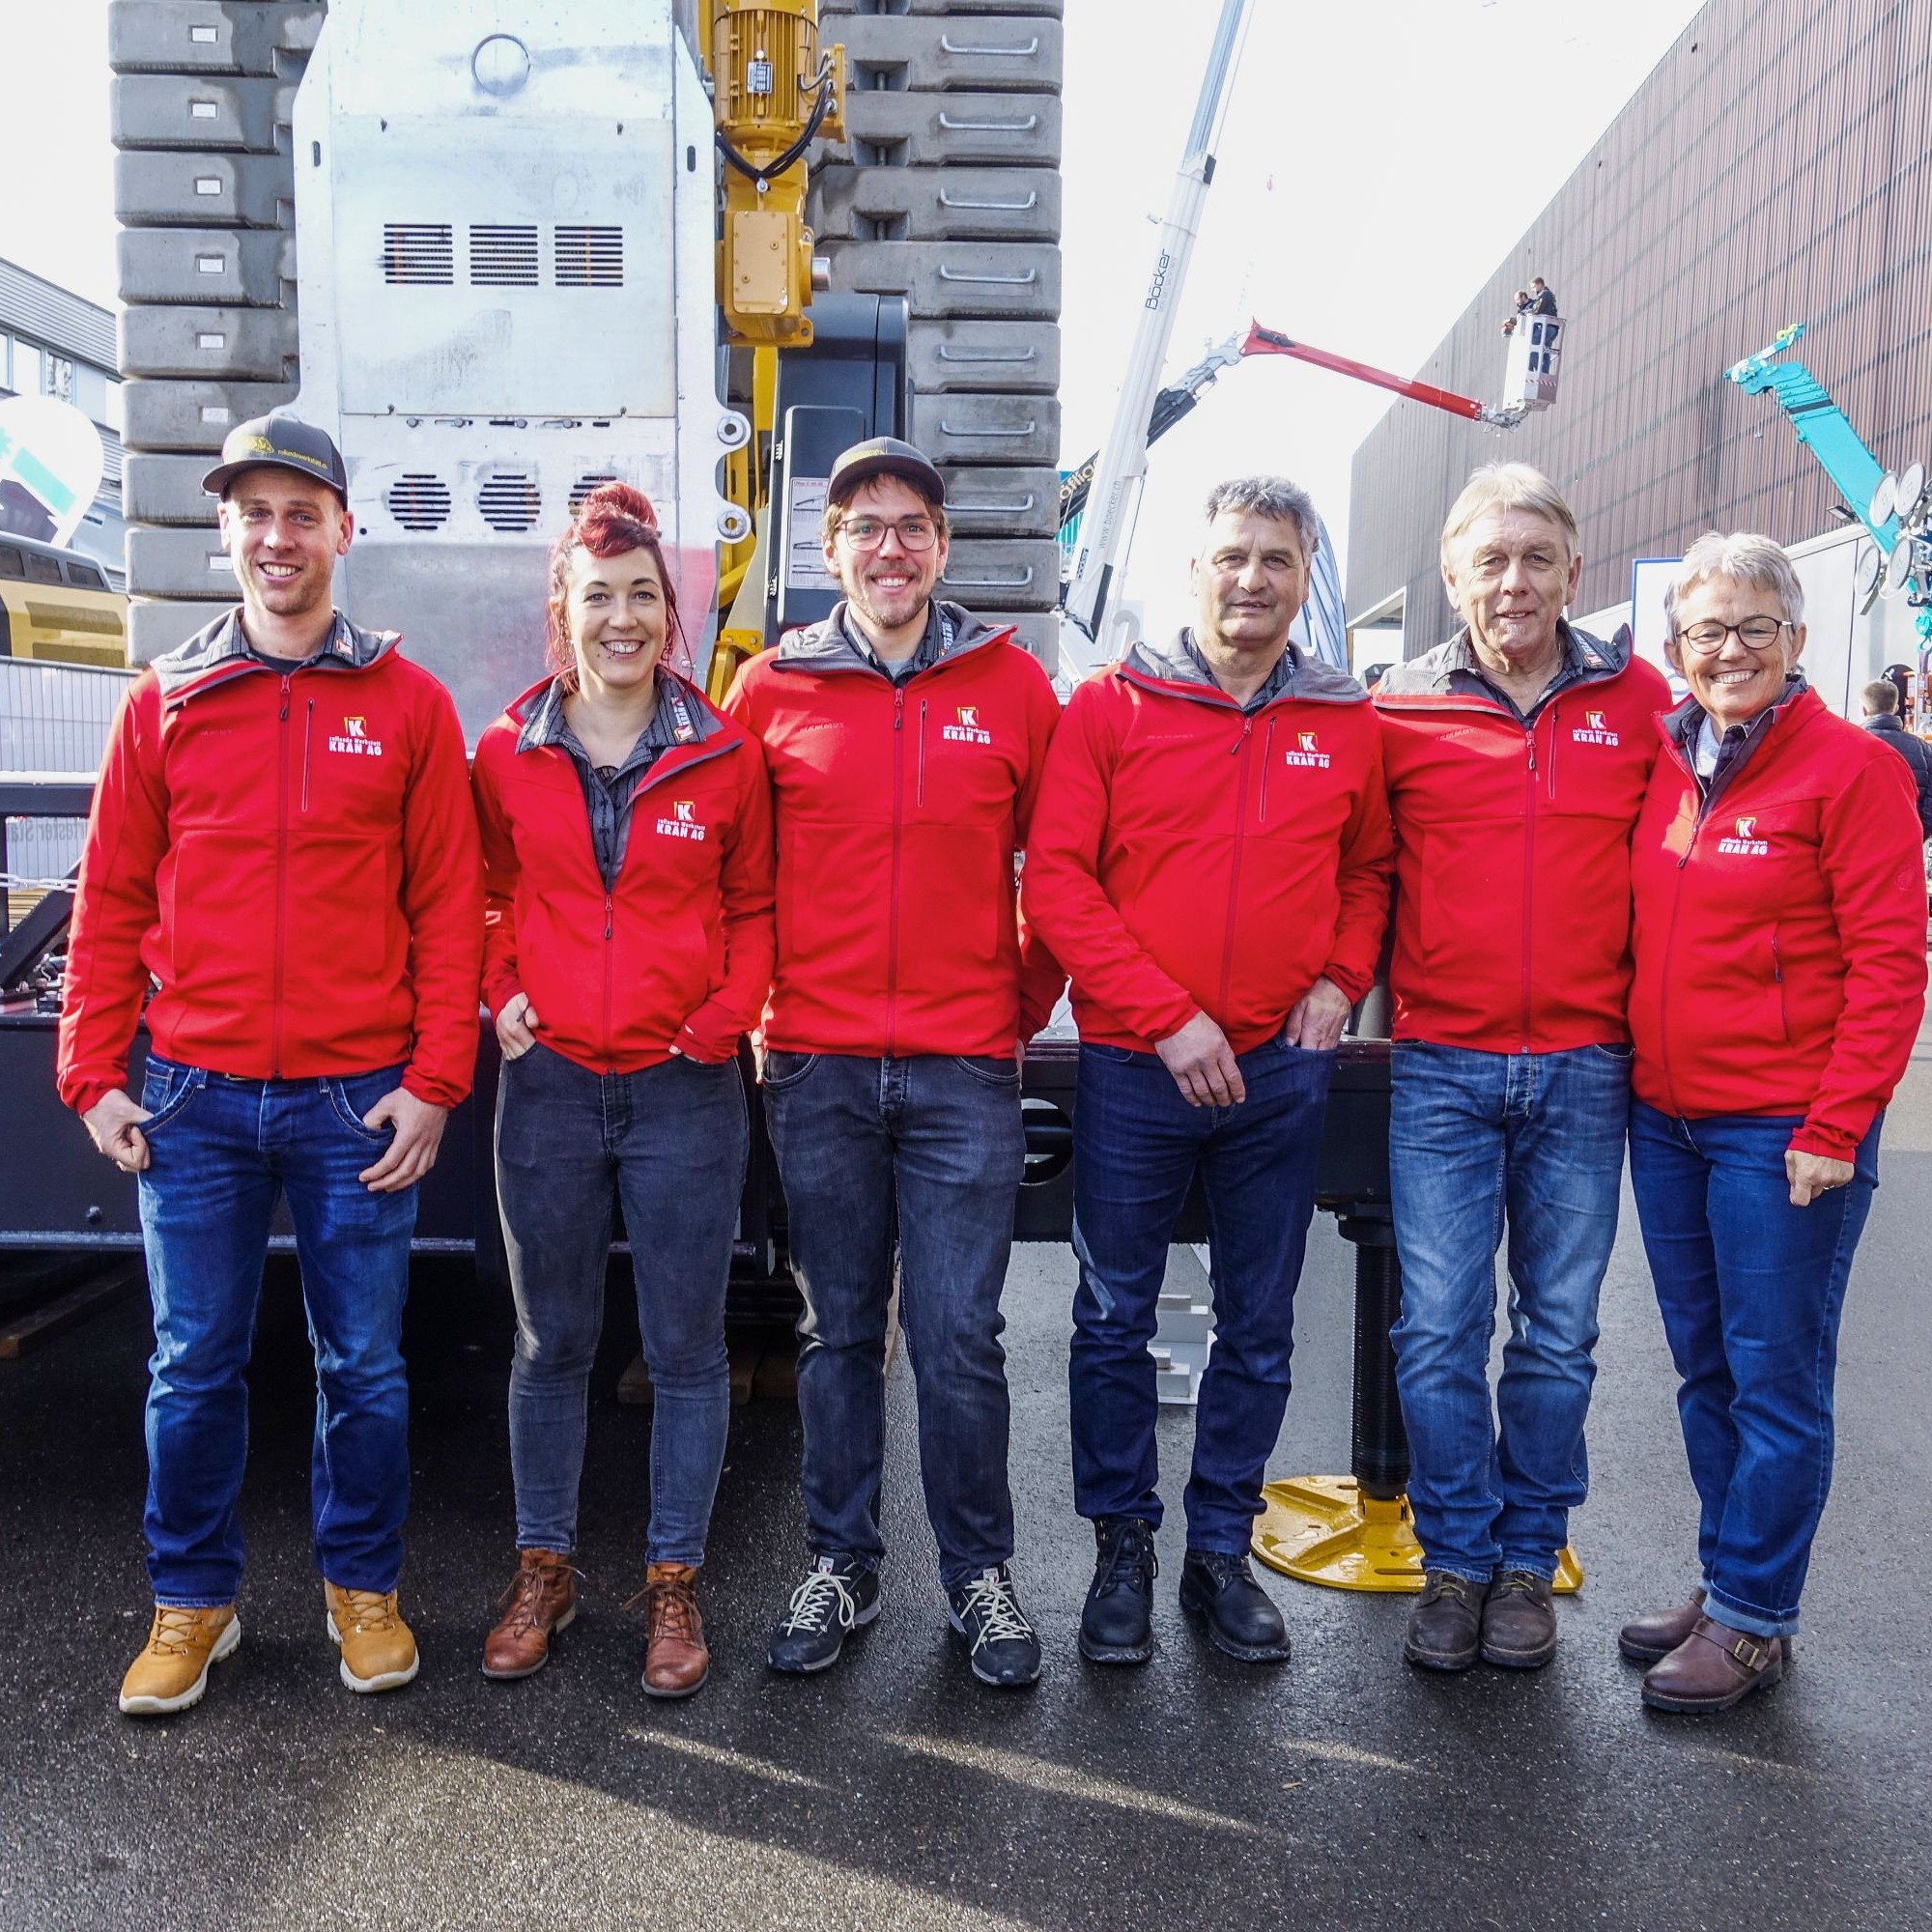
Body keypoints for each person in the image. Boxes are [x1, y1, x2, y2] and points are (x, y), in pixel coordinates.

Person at [57, 413, 484, 1716]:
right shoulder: (167, 701)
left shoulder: (408, 703)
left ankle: (362, 1590)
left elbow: (447, 905)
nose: (277, 535)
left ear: (344, 531)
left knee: (365, 1366)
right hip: (190, 1095)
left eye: (302, 512)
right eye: (255, 512)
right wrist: (92, 1071)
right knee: (192, 1364)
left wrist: (434, 1080)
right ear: (226, 531)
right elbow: (112, 897)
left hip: (358, 1104)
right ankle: (192, 1604)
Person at [1024, 476, 1392, 1668]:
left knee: (1259, 1322)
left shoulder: (1345, 722)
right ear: (1194, 569)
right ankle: (1121, 1546)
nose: (1251, 579)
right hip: (1138, 1063)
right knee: (1112, 1317)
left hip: (1282, 1068)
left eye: (1275, 559)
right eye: (1231, 554)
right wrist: (1165, 1017)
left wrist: (1339, 979)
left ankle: (1217, 1550)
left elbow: (1369, 868)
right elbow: (1061, 884)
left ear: (1301, 576)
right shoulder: (1109, 708)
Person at [723, 436, 1064, 1689]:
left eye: (912, 524)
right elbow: (735, 875)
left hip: (963, 1068)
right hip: (814, 1066)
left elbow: (1063, 865)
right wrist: (761, 1014)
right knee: (836, 1329)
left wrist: (1016, 1000)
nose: (891, 547)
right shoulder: (771, 693)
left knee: (960, 1333)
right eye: (865, 525)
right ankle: (844, 1561)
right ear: (830, 553)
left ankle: (977, 1574)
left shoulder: (1013, 686)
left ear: (943, 548)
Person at [469, 484, 776, 1699]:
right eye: (598, 595)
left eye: (643, 594)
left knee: (687, 1349)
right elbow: (477, 893)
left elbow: (754, 910)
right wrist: (499, 989)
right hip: (546, 1084)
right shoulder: (506, 749)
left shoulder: (725, 754)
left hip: (682, 1090)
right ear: (564, 608)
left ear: (672, 611)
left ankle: (671, 1581)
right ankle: (544, 1565)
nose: (622, 617)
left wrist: (716, 1024)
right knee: (550, 1342)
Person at [1374, 463, 1670, 1674]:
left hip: (1584, 1063)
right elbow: (1353, 872)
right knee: (1436, 1328)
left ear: (1572, 571)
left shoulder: (1643, 700)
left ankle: (1524, 1556)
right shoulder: (1397, 707)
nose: (1512, 583)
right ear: (1452, 577)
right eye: (1488, 561)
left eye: (1534, 559)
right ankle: (1451, 1559)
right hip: (1440, 1061)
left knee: (1555, 1331)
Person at [1622, 533, 1926, 1713]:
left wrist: (1835, 1121)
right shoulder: (1669, 757)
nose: (1730, 650)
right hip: (1669, 1119)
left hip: (1781, 1131)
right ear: (1674, 647)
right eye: (1706, 631)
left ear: (1797, 639)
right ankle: (1724, 1575)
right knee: (1705, 1367)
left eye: (1755, 627)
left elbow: (1889, 962)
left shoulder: (1850, 769)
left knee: (1774, 1376)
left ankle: (1753, 1615)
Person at [1860, 676, 1932, 837]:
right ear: (1896, 708)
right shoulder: (1923, 749)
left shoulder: (1850, 745)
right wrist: (1916, 837)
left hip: (1861, 847)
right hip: (1907, 849)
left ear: (1864, 710)